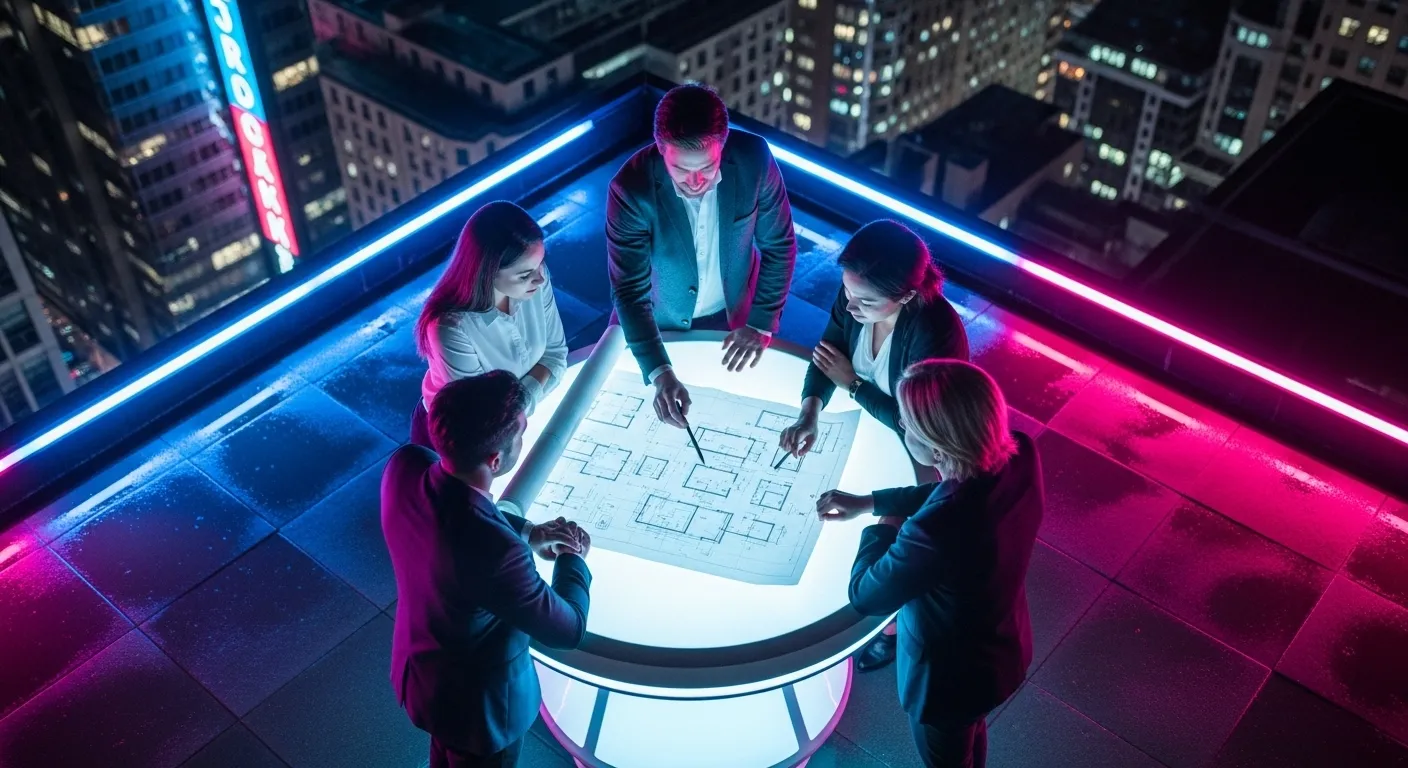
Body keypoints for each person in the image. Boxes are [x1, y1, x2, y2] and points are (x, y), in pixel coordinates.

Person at [817, 359, 1043, 768]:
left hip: (947, 684)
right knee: (971, 733)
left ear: (937, 449)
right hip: (999, 652)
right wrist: (872, 502)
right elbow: (953, 495)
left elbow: (865, 594)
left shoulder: (934, 533)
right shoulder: (1021, 452)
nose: (902, 429)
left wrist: (885, 524)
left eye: (905, 425)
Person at [780, 219, 969, 673]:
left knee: (898, 547)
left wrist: (853, 384)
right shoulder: (855, 299)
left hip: (928, 450)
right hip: (875, 427)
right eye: (847, 292)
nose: (850, 304)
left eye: (865, 300)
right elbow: (828, 353)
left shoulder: (934, 331)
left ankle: (891, 630)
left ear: (905, 296)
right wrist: (810, 411)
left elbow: (915, 427)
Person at [382, 372, 593, 767]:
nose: (523, 437)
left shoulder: (405, 466)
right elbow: (569, 629)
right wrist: (572, 557)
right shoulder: (498, 554)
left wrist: (529, 532)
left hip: (421, 675)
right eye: (521, 433)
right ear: (496, 461)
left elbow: (457, 508)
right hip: (481, 713)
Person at [607, 82, 797, 428]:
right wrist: (659, 370)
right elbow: (629, 293)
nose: (695, 182)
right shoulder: (629, 189)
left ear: (722, 148)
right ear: (660, 150)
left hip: (733, 318)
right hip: (657, 326)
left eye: (706, 168)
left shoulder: (755, 159)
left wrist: (760, 322)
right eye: (681, 170)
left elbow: (779, 246)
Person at [410, 200, 567, 447]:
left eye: (540, 264)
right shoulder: (450, 328)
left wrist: (515, 409)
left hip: (509, 429)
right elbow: (483, 418)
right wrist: (537, 383)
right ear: (487, 272)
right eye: (525, 275)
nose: (540, 278)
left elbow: (556, 356)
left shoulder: (536, 279)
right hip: (460, 442)